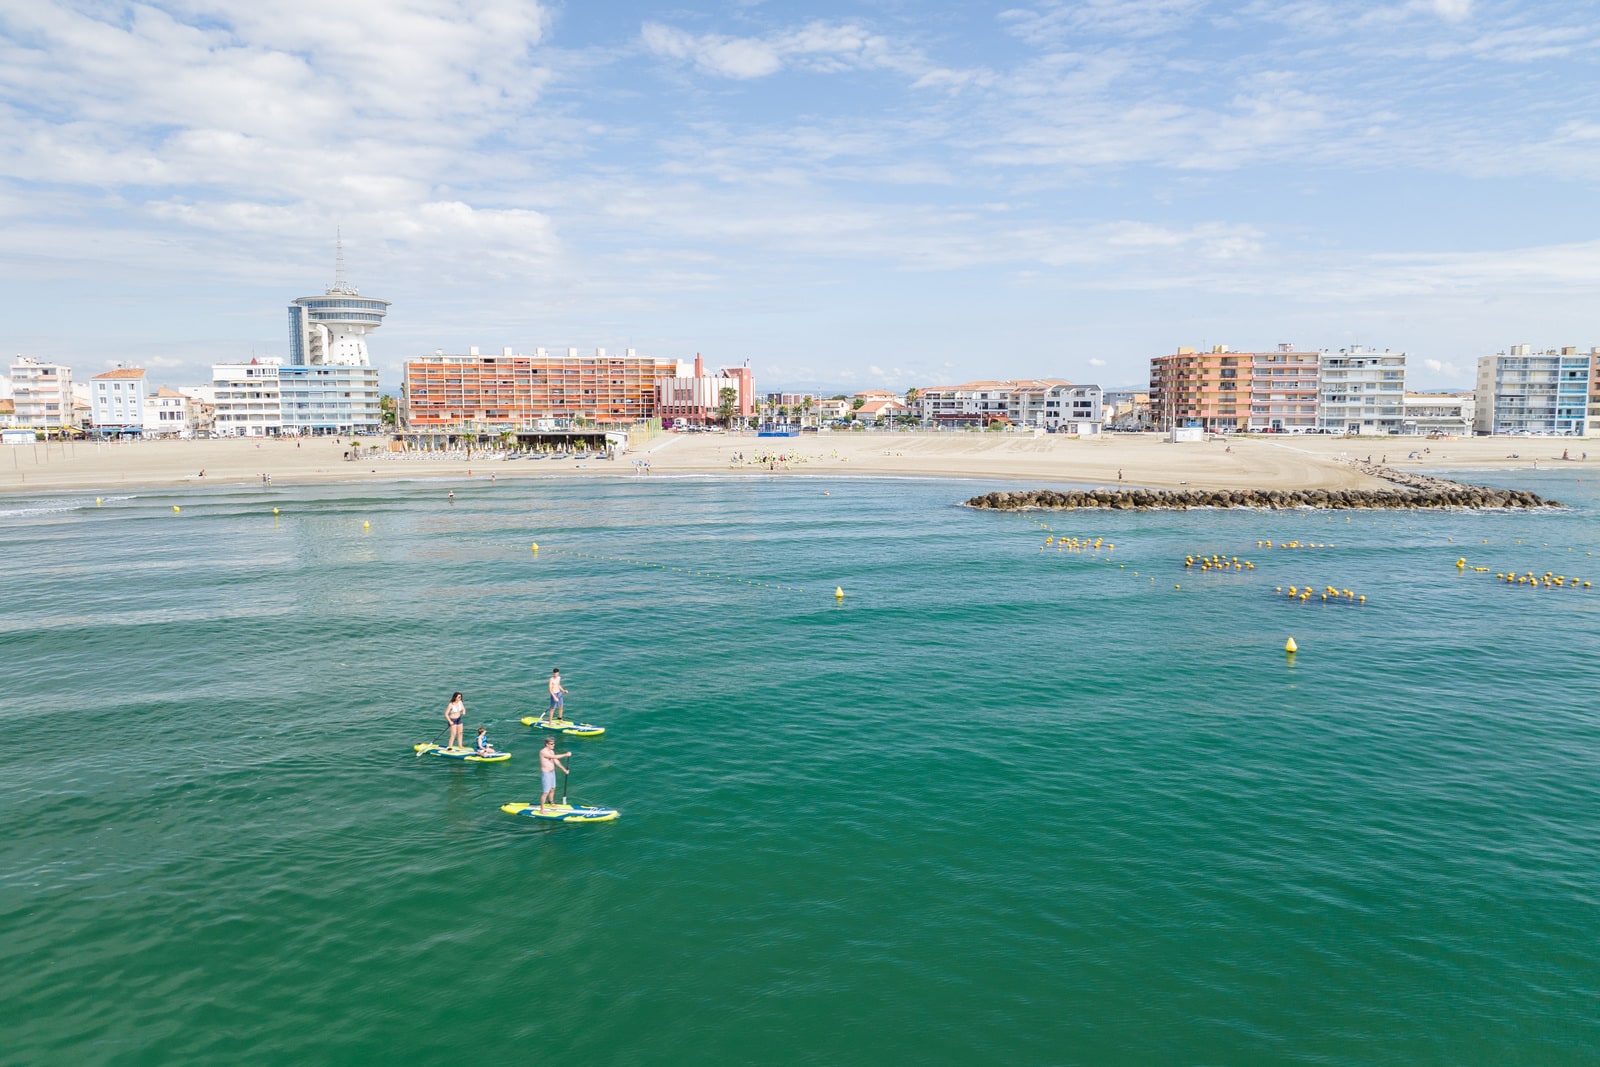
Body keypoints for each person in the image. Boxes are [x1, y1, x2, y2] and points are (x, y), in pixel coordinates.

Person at [539, 737, 571, 812]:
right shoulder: (543, 752)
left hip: (552, 772)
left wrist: (564, 770)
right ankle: (542, 809)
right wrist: (566, 754)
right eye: (552, 744)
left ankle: (551, 802)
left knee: (553, 788)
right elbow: (554, 757)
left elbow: (556, 761)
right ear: (547, 744)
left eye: (554, 743)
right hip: (546, 774)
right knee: (546, 792)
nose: (553, 745)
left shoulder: (551, 751)